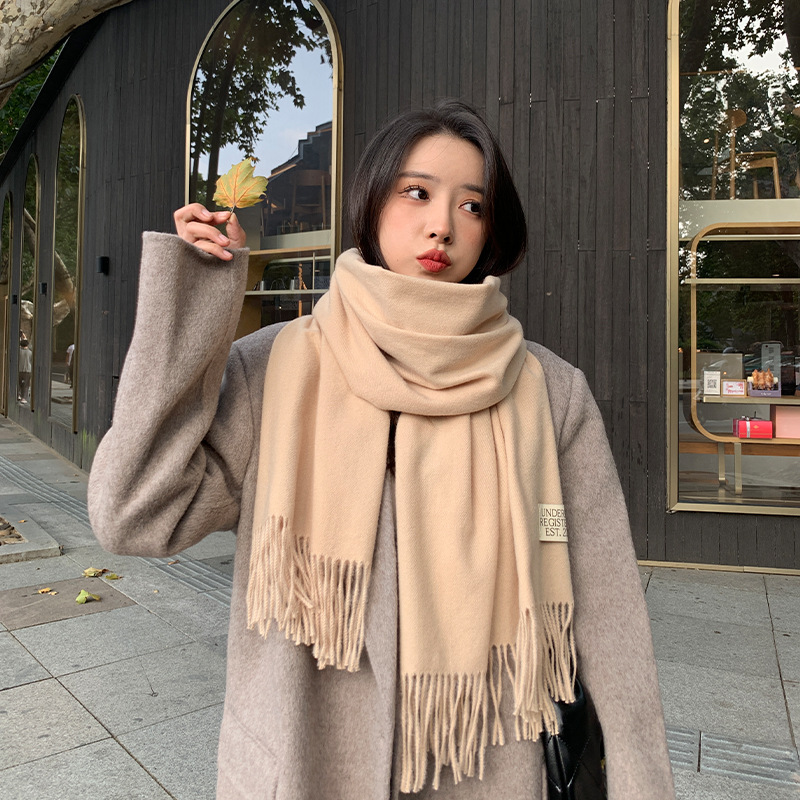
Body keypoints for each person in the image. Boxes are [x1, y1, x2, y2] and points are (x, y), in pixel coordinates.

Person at [88, 101, 675, 799]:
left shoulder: (548, 391)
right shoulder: (277, 369)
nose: (442, 225)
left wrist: (642, 782)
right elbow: (135, 514)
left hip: (481, 763)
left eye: (472, 205)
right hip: (303, 765)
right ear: (371, 201)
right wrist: (193, 304)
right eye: (416, 192)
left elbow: (609, 609)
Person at [18, 337, 32, 404]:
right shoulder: (30, 352)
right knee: (26, 385)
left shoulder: (18, 351)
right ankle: (23, 398)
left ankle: (18, 394)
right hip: (27, 370)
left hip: (19, 369)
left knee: (18, 383)